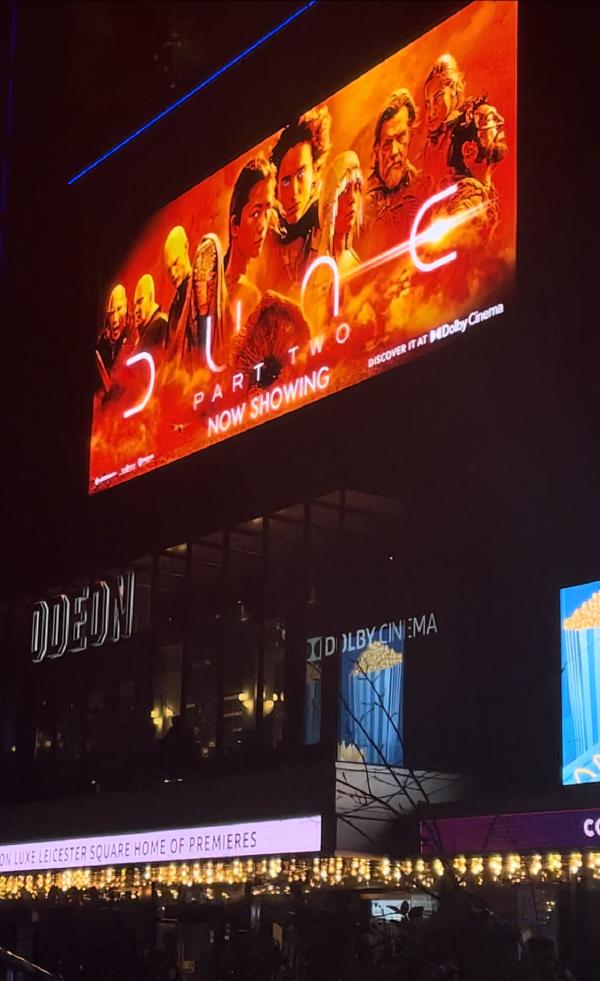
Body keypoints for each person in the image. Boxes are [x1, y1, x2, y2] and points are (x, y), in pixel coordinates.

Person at [260, 105, 331, 295]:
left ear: (315, 171)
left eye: (301, 175)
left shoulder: (328, 225)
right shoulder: (270, 243)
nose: (293, 192)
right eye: (285, 181)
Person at [362, 88, 426, 257]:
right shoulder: (362, 204)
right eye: (387, 143)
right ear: (377, 148)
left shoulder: (422, 187)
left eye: (401, 137)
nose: (395, 151)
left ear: (410, 135)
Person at [445, 96, 508, 235]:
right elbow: (455, 236)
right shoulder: (471, 196)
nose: (500, 124)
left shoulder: (485, 192)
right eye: (489, 119)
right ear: (469, 150)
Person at [224, 156, 275, 325]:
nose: (263, 225)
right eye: (255, 213)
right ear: (234, 225)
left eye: (268, 211)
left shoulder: (220, 287)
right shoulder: (249, 297)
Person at [178, 232, 231, 371]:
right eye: (196, 283)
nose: (200, 289)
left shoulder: (226, 316)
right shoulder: (189, 327)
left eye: (205, 282)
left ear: (213, 282)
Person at [422, 54, 465, 188]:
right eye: (428, 104)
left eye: (438, 98)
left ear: (453, 90)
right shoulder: (430, 146)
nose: (431, 111)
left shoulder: (466, 129)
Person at [318, 150, 363, 275]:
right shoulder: (319, 271)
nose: (353, 198)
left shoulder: (355, 265)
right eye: (345, 189)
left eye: (357, 187)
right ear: (331, 202)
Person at [96, 283, 129, 389]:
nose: (114, 319)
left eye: (119, 309)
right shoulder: (103, 343)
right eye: (111, 313)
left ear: (126, 306)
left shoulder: (133, 336)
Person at [163, 225, 192, 349]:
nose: (173, 274)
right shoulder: (174, 305)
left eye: (175, 263)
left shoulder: (199, 289)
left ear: (186, 246)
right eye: (168, 270)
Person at [133, 273, 168, 350]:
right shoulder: (148, 329)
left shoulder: (161, 324)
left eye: (140, 301)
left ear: (150, 297)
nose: (136, 310)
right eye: (135, 306)